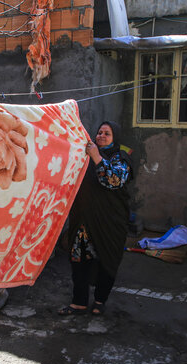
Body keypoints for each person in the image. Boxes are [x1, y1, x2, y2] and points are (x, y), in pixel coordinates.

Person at [58, 121, 133, 316]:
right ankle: (79, 302)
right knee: (79, 261)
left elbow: (114, 181)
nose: (101, 136)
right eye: (99, 132)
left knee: (106, 261)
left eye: (107, 133)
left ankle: (100, 301)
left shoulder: (120, 158)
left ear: (114, 137)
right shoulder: (85, 156)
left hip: (110, 222)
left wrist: (97, 157)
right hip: (84, 221)